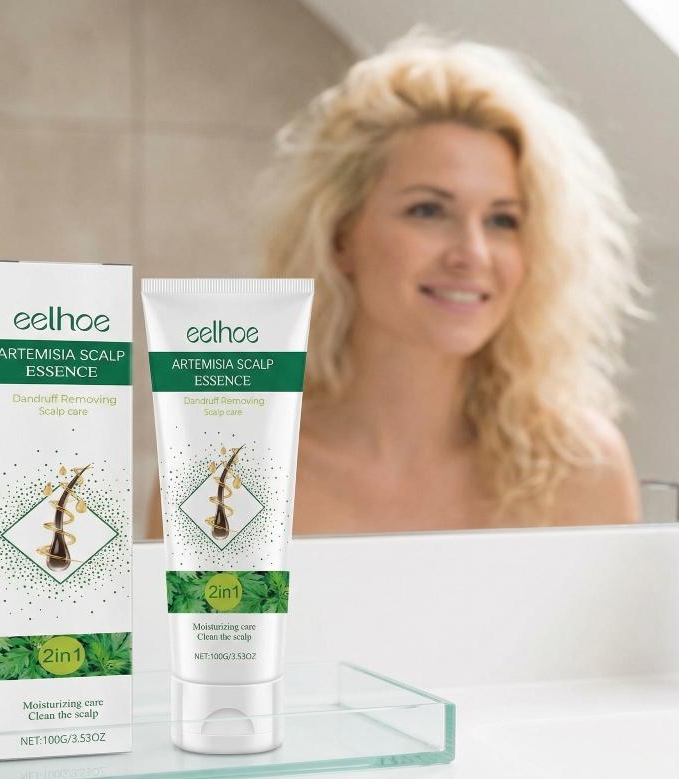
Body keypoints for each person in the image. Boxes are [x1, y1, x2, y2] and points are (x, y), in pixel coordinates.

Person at [258, 29, 644, 533]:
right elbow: (211, 591)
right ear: (340, 237)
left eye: (502, 220)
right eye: (428, 211)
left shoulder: (581, 469)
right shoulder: (236, 473)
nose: (473, 254)